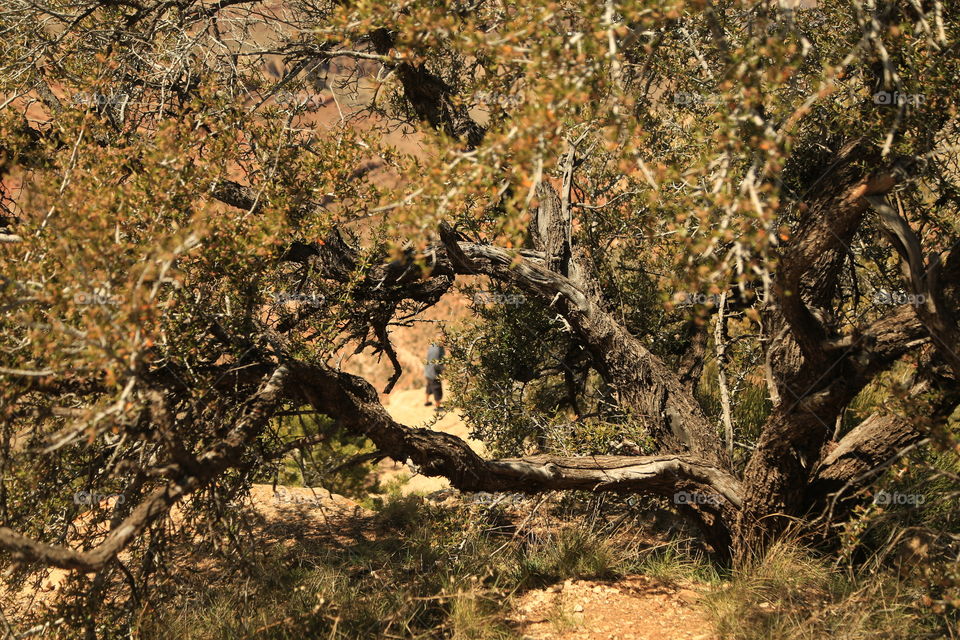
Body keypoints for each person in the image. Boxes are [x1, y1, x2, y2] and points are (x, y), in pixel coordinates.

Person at [424, 341, 445, 409]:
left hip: (428, 371)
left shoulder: (432, 346)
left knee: (429, 386)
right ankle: (437, 406)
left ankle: (426, 402)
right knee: (437, 388)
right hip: (434, 372)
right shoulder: (439, 349)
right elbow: (438, 363)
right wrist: (444, 369)